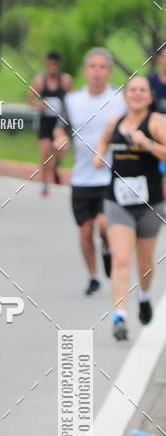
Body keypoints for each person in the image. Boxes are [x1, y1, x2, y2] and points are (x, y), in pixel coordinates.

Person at [94, 75, 166, 340]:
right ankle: (120, 316)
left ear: (149, 97)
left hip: (150, 203)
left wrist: (145, 142)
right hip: (118, 201)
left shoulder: (156, 123)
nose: (136, 94)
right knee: (121, 258)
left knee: (145, 263)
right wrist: (99, 155)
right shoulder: (116, 122)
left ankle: (144, 296)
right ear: (125, 96)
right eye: (131, 90)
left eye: (142, 90)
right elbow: (103, 141)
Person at [54, 48, 126, 296]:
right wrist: (60, 139)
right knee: (85, 230)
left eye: (102, 67)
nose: (97, 72)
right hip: (82, 176)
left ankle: (107, 248)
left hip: (110, 175)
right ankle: (93, 276)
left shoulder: (120, 98)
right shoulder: (72, 100)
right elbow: (60, 128)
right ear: (85, 71)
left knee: (105, 225)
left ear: (109, 71)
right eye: (92, 67)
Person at [28, 52, 73, 196]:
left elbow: (72, 100)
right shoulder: (40, 80)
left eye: (55, 64)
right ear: (47, 64)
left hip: (60, 121)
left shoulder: (65, 80)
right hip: (45, 121)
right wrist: (39, 105)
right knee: (45, 152)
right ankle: (44, 185)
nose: (53, 67)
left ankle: (55, 167)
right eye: (50, 64)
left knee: (59, 151)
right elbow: (30, 100)